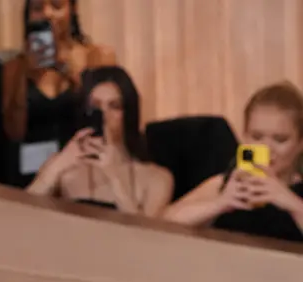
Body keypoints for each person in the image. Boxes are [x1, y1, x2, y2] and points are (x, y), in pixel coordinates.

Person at [162, 82, 303, 242]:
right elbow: (162, 224)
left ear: (300, 143)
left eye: (280, 139)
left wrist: (290, 202)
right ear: (245, 137)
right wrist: (220, 203)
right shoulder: (227, 183)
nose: (266, 148)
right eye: (256, 137)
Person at [26, 66, 173, 216]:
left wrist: (115, 178)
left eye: (114, 106)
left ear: (128, 114)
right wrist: (58, 166)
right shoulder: (66, 168)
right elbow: (21, 213)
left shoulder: (156, 178)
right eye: (95, 107)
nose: (104, 115)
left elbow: (145, 230)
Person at [1, 0, 116, 157]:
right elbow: (14, 133)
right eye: (37, 8)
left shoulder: (97, 57)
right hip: (34, 165)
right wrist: (25, 74)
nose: (47, 14)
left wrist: (70, 72)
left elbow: (109, 123)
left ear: (72, 9)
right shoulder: (14, 68)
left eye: (56, 6)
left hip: (86, 161)